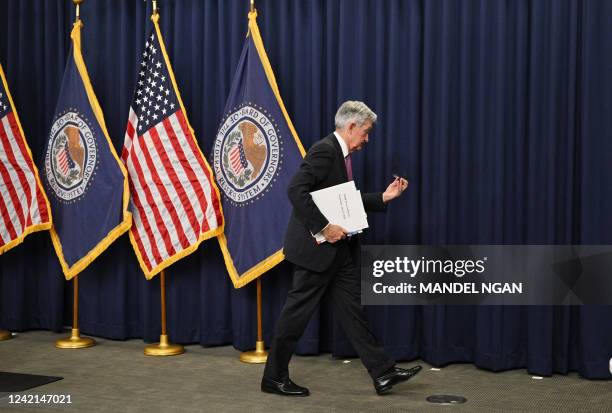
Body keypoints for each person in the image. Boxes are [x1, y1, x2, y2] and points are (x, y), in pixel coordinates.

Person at [261, 101, 421, 396]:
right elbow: (295, 189)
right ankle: (273, 378)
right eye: (366, 132)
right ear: (351, 127)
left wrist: (382, 198)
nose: (367, 140)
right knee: (295, 316)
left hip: (338, 252)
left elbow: (341, 202)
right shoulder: (325, 150)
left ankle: (382, 373)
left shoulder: (340, 154)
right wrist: (324, 227)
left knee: (352, 312)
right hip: (315, 250)